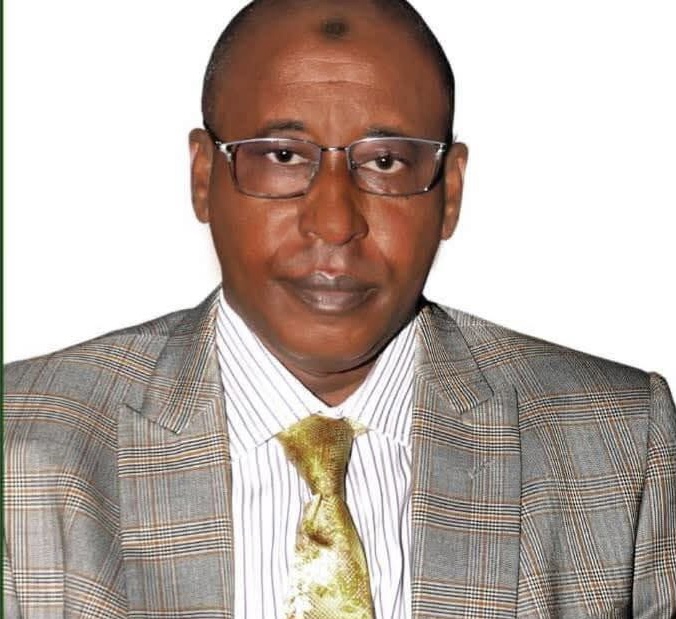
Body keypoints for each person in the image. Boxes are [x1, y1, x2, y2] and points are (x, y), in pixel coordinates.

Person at [4, 0, 675, 617]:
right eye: (283, 156)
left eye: (385, 162)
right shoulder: (22, 449)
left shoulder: (620, 443)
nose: (333, 221)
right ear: (203, 177)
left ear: (450, 193)